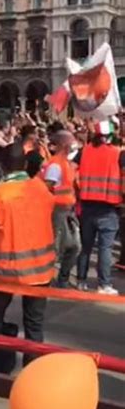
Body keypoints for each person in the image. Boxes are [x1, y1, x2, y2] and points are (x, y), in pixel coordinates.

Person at [0, 143, 56, 371]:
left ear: (1, 166)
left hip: (3, 271)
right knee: (34, 326)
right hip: (40, 270)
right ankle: (32, 376)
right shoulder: (42, 190)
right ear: (27, 164)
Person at [76, 121, 122, 295]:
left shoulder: (84, 151)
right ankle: (104, 285)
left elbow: (73, 171)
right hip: (108, 207)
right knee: (105, 248)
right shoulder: (118, 154)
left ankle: (81, 281)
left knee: (86, 247)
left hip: (87, 206)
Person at [43, 131, 80, 288]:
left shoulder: (65, 163)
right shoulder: (56, 165)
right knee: (56, 248)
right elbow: (47, 187)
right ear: (64, 145)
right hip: (58, 210)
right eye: (71, 142)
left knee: (75, 247)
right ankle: (48, 279)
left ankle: (62, 278)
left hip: (68, 210)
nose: (74, 145)